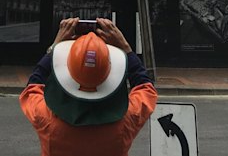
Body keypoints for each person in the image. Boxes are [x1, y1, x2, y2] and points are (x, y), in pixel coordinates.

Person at [20, 16, 157, 156]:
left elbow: (33, 86)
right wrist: (126, 48)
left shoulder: (46, 118)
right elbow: (146, 88)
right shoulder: (126, 121)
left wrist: (54, 48)